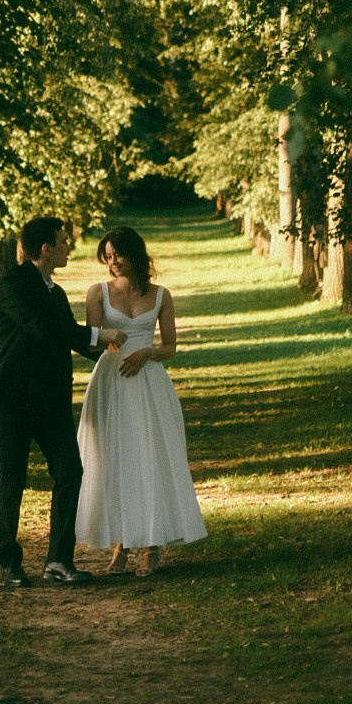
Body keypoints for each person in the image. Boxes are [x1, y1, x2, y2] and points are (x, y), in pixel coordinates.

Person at [0, 214, 117, 588]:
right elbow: (43, 330)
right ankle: (11, 562)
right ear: (45, 248)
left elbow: (70, 339)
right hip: (11, 400)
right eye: (63, 241)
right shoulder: (13, 284)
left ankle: (58, 560)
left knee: (70, 472)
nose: (67, 248)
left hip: (51, 402)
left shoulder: (56, 293)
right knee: (12, 480)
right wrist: (98, 331)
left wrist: (112, 358)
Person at [75, 224, 206, 576]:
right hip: (113, 379)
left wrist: (146, 353)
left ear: (136, 255)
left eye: (120, 254)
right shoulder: (97, 293)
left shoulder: (161, 295)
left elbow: (171, 348)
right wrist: (106, 338)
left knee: (148, 455)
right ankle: (119, 543)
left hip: (148, 380)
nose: (114, 261)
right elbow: (90, 342)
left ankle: (151, 544)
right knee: (115, 457)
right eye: (109, 256)